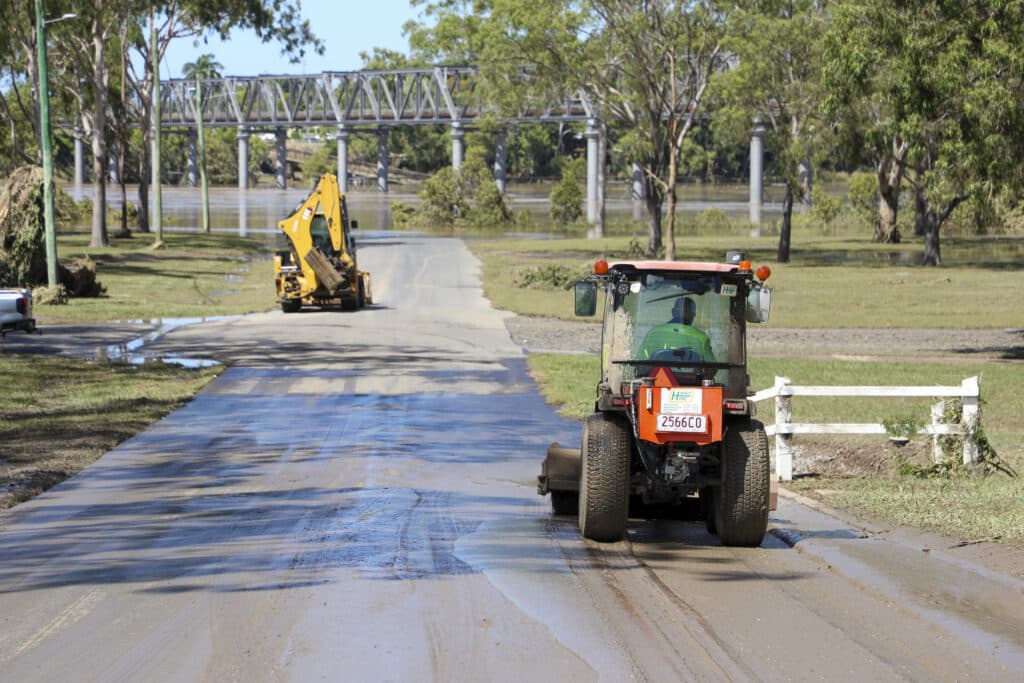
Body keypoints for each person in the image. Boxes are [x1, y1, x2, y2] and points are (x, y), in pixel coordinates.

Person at [638, 296, 715, 362]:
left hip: (658, 379)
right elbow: (712, 368)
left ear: (673, 312)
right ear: (693, 315)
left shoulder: (653, 334)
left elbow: (639, 363)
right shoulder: (702, 338)